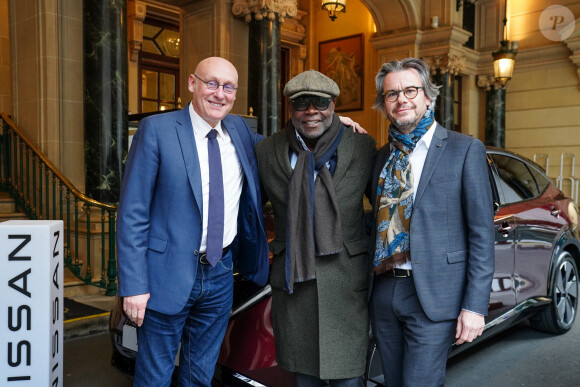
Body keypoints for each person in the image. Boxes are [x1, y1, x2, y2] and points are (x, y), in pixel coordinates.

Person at [116, 57, 270, 386]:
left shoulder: (241, 131)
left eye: (229, 87)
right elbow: (133, 213)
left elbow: (281, 149)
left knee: (199, 375)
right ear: (192, 84)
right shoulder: (157, 130)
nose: (220, 94)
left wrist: (333, 123)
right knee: (154, 377)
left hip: (219, 273)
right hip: (164, 276)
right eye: (211, 83)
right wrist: (134, 286)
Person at [368, 58, 495, 387]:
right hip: (384, 292)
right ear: (384, 105)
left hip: (435, 294)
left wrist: (474, 306)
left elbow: (481, 235)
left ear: (427, 96)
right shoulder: (382, 157)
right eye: (391, 94)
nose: (401, 99)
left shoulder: (464, 149)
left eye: (410, 90)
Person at [256, 70, 377, 386]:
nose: (311, 111)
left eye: (320, 103)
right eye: (301, 104)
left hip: (347, 284)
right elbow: (247, 213)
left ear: (334, 104)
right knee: (305, 378)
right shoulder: (266, 151)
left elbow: (385, 212)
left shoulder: (362, 147)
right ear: (290, 109)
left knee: (349, 379)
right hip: (296, 286)